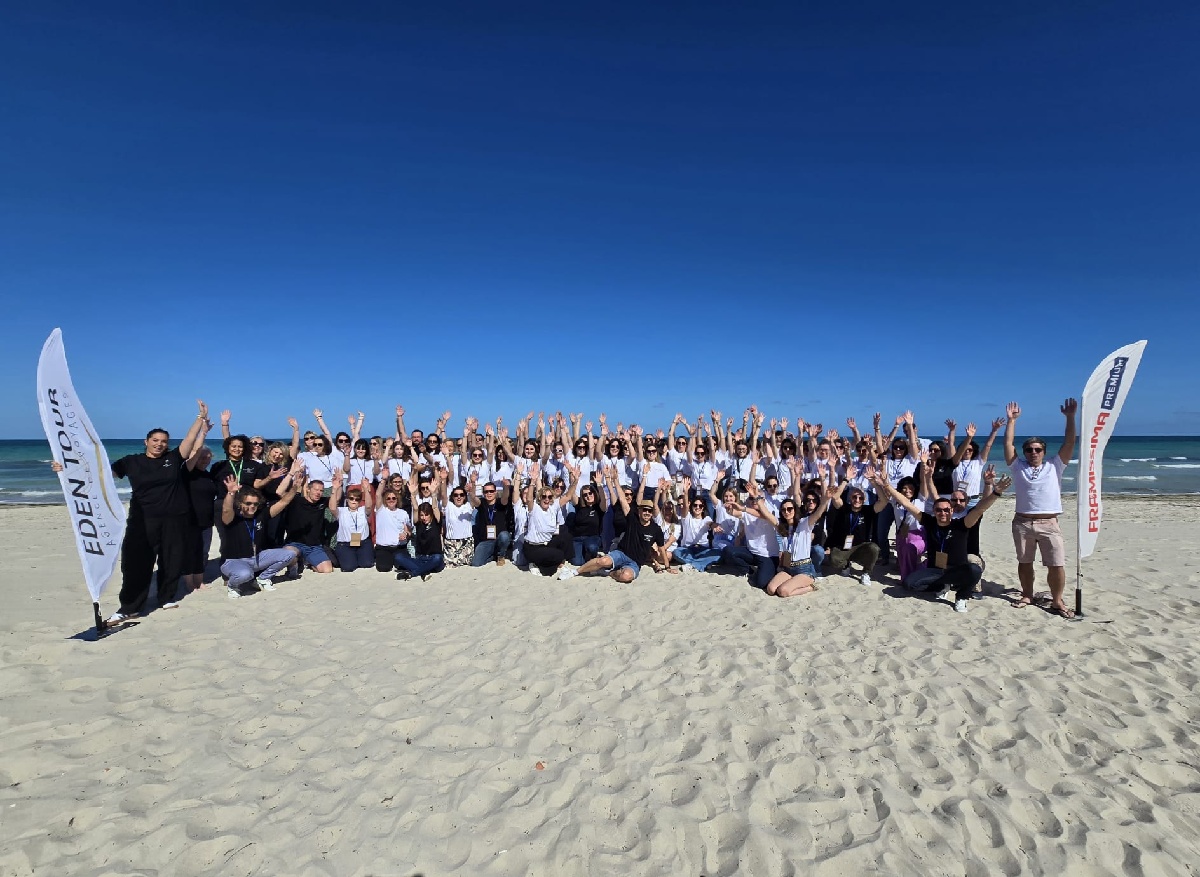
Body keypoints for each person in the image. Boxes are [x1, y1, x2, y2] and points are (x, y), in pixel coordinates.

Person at [101, 401, 210, 621]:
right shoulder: (131, 462)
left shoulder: (173, 459)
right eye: (155, 440)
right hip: (142, 520)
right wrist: (65, 469)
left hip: (175, 520)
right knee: (135, 563)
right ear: (146, 441)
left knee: (171, 560)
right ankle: (130, 606)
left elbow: (190, 441)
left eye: (164, 441)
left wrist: (200, 418)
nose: (159, 444)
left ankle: (166, 597)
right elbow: (102, 474)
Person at [873, 468, 1008, 613]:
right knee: (909, 584)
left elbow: (980, 509)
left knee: (974, 569)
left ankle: (961, 597)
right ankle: (943, 586)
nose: (942, 513)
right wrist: (886, 485)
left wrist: (996, 493)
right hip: (936, 571)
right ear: (934, 511)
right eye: (938, 510)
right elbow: (906, 504)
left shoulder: (962, 524)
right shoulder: (930, 522)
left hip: (956, 570)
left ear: (951, 511)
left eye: (946, 510)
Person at [1004, 398, 1078, 617]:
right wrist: (1011, 421)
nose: (1033, 452)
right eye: (1029, 450)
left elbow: (1069, 443)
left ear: (1044, 451)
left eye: (1037, 449)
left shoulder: (1055, 466)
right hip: (1022, 522)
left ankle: (1057, 600)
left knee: (1056, 564)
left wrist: (1070, 417)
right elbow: (1008, 445)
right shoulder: (1018, 467)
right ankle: (1027, 594)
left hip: (1049, 523)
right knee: (1025, 562)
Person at [561, 480, 669, 583]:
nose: (647, 513)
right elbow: (622, 499)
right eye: (644, 510)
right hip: (621, 553)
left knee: (626, 576)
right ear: (639, 510)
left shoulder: (656, 529)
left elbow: (662, 549)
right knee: (602, 561)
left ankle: (609, 573)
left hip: (635, 562)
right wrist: (615, 480)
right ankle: (575, 572)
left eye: (649, 511)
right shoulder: (632, 518)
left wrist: (667, 566)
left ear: (652, 513)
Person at [219, 470, 302, 598]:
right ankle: (232, 586)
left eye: (255, 504)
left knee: (290, 554)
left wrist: (295, 487)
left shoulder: (261, 515)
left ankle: (263, 578)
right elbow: (226, 510)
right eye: (248, 503)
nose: (252, 506)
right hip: (234, 561)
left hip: (257, 558)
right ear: (240, 504)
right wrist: (231, 493)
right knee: (246, 575)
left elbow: (283, 502)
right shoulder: (232, 518)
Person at [764, 480, 831, 598]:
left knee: (783, 591)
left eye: (790, 509)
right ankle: (794, 582)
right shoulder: (782, 527)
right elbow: (768, 515)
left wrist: (825, 500)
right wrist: (757, 499)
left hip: (804, 568)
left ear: (795, 510)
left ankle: (810, 587)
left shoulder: (804, 523)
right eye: (783, 510)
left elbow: (817, 514)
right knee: (771, 589)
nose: (786, 512)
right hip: (788, 567)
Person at [824, 464, 889, 584]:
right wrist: (846, 479)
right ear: (850, 498)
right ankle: (846, 565)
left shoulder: (868, 510)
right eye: (854, 497)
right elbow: (835, 497)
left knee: (874, 549)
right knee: (834, 559)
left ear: (864, 500)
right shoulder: (844, 508)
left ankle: (866, 573)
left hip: (860, 547)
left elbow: (884, 501)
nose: (857, 500)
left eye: (860, 498)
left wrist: (873, 482)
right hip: (844, 546)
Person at [282, 475, 336, 574]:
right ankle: (296, 564)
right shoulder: (296, 501)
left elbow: (333, 507)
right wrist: (294, 484)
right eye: (316, 490)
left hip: (314, 546)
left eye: (321, 491)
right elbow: (280, 493)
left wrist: (335, 488)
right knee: (289, 554)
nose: (318, 493)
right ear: (308, 489)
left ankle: (309, 563)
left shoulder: (322, 502)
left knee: (327, 570)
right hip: (295, 543)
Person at [328, 471, 374, 572]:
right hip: (345, 544)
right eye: (351, 498)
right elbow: (332, 508)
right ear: (347, 500)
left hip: (363, 542)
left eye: (357, 499)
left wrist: (366, 490)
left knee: (367, 564)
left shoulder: (362, 510)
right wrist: (335, 489)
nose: (354, 501)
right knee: (349, 567)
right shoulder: (342, 511)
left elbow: (369, 506)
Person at [470, 477, 514, 566]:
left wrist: (506, 487)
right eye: (486, 492)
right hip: (486, 540)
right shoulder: (482, 503)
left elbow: (505, 497)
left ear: (495, 492)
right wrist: (472, 486)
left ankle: (501, 555)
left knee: (505, 536)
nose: (489, 493)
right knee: (476, 563)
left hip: (499, 538)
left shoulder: (500, 503)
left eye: (491, 491)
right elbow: (474, 499)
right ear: (483, 493)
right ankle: (493, 556)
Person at [372, 487, 413, 574]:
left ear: (397, 499)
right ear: (385, 500)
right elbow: (378, 495)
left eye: (394, 498)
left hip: (399, 547)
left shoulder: (403, 513)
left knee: (403, 566)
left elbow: (409, 529)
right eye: (388, 498)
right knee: (384, 568)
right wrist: (383, 481)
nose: (391, 500)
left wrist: (405, 534)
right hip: (384, 547)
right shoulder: (381, 510)